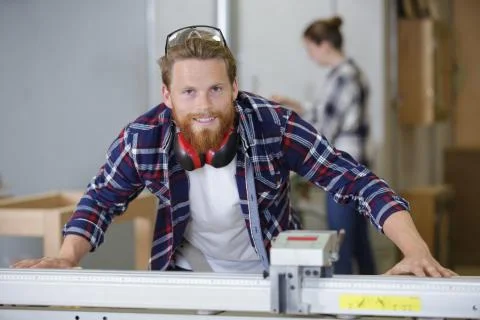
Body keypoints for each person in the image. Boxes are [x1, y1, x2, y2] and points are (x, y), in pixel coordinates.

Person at [13, 25, 455, 278]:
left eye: (215, 90)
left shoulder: (272, 125)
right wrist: (67, 256)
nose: (203, 105)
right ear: (167, 96)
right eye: (188, 92)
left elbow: (355, 180)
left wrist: (415, 251)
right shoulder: (142, 138)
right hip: (188, 274)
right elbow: (101, 198)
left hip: (272, 273)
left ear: (234, 89)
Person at [271, 16, 377, 275]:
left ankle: (340, 306)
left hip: (343, 171)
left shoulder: (344, 77)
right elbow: (326, 112)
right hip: (356, 166)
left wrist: (290, 150)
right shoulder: (348, 73)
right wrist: (295, 105)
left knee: (339, 241)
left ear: (325, 45)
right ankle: (373, 298)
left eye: (310, 48)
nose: (310, 56)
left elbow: (324, 129)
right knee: (359, 241)